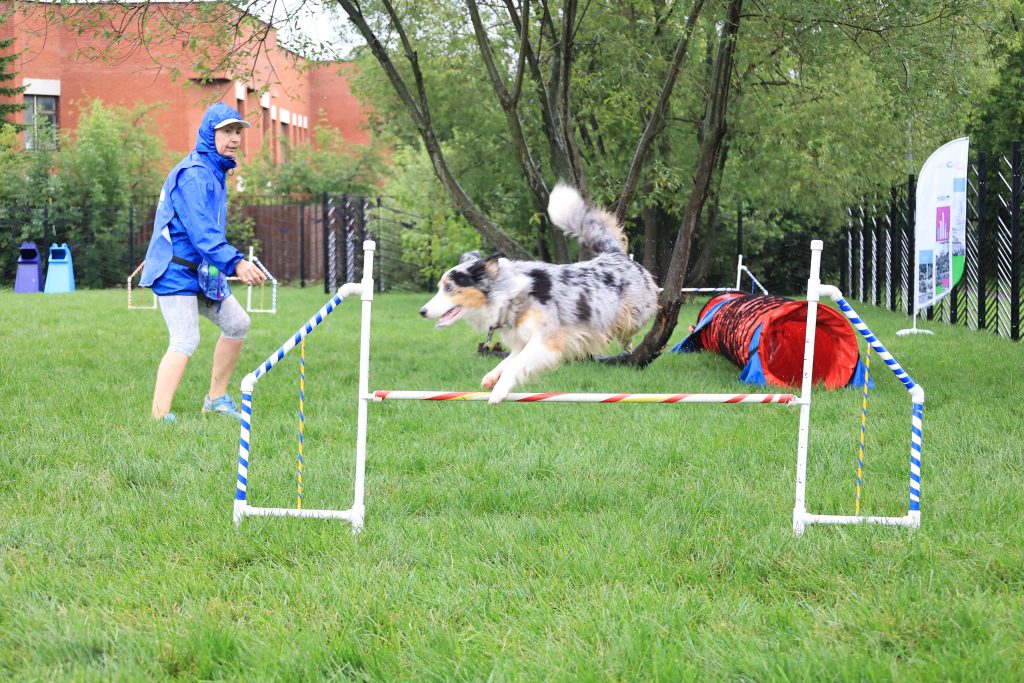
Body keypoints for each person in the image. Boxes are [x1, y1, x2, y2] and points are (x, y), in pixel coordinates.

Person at [140, 102, 266, 423]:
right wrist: (236, 263)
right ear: (210, 134)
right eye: (226, 131)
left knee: (238, 324)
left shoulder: (215, 170)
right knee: (185, 338)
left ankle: (215, 399)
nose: (234, 137)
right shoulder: (194, 174)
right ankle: (158, 416)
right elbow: (201, 232)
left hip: (203, 271)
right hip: (174, 269)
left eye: (238, 131)